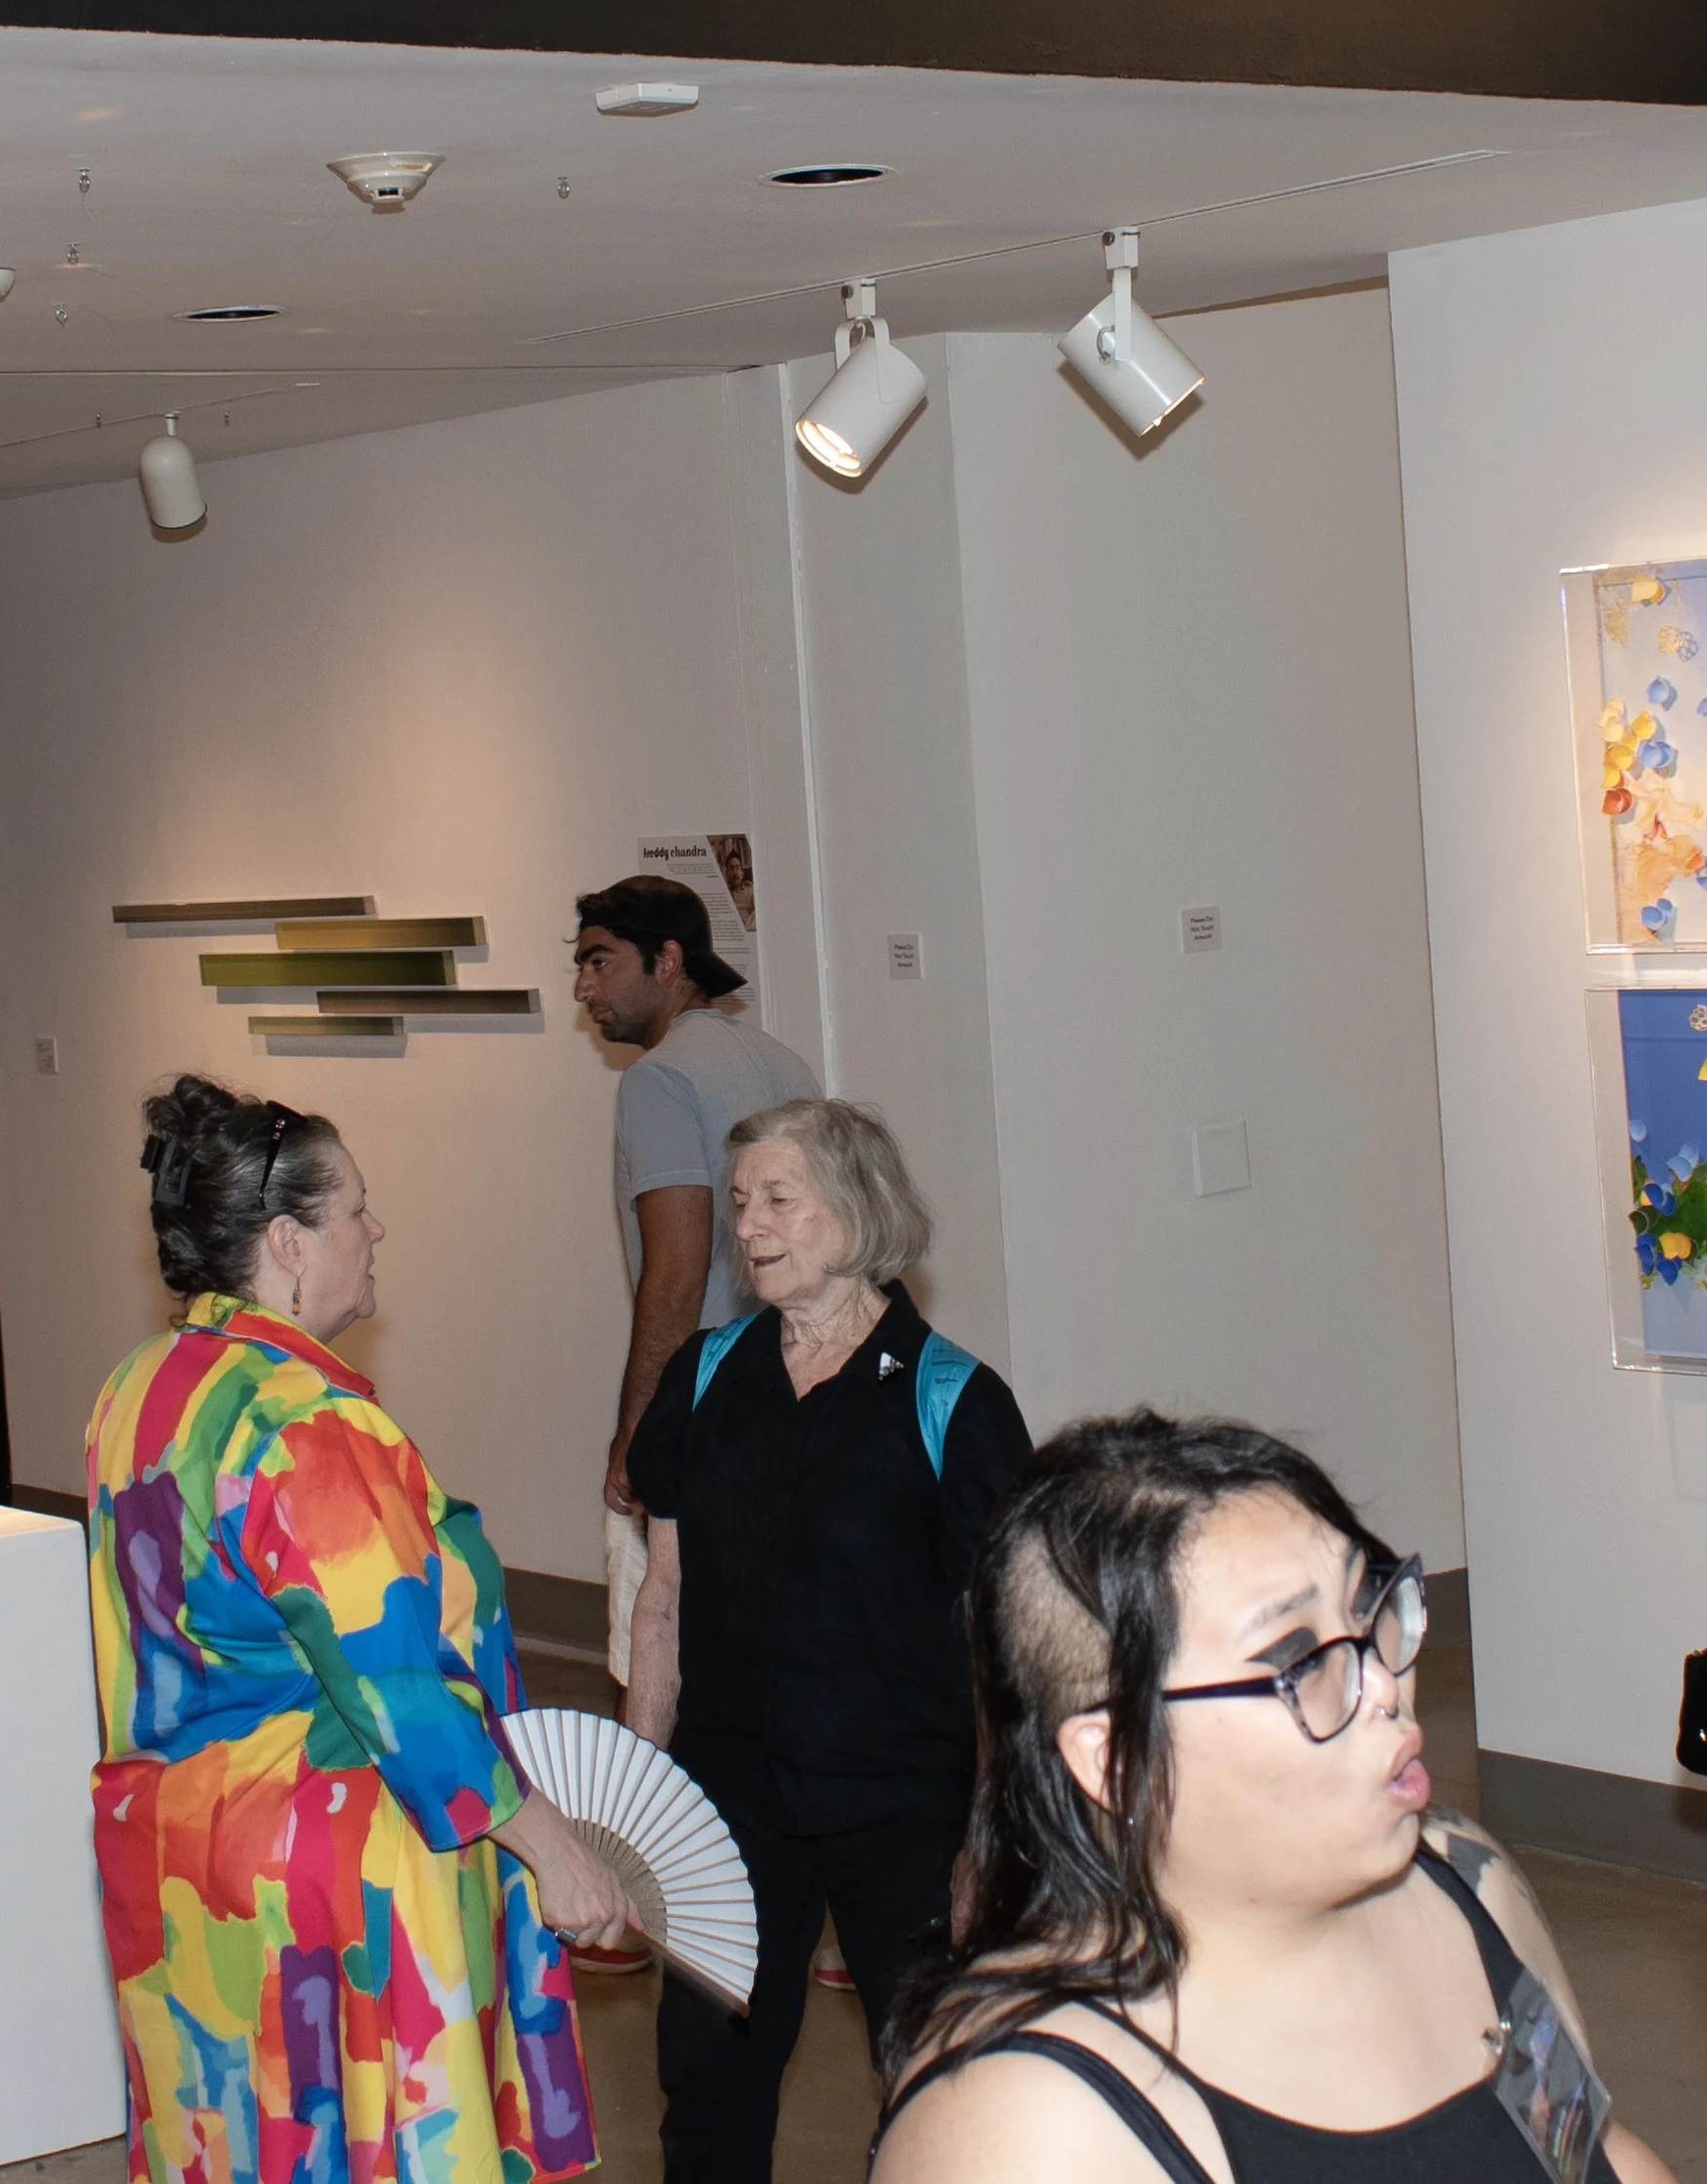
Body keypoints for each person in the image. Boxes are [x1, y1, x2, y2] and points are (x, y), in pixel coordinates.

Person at [877, 1412, 1680, 2184]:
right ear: (1118, 1760)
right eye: (1297, 1657)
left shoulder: (1465, 1886)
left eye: (1366, 1608)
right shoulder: (1018, 2121)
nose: (1382, 1684)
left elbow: (1586, 2157)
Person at [83, 1075, 624, 2184]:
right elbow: (398, 1691)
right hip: (330, 1881)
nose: (376, 1231)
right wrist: (552, 1848)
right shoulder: (311, 1422)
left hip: (186, 1859)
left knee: (236, 2146)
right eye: (356, 1209)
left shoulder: (140, 1385)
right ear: (287, 1241)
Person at [622, 1097, 1028, 2179]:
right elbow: (661, 1599)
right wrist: (636, 1805)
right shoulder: (703, 1379)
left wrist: (988, 1843)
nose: (749, 1223)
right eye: (741, 1199)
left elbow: (1003, 1652)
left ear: (855, 1210)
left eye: (778, 1198)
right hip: (724, 1803)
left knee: (936, 2084)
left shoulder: (956, 1401)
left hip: (899, 1805)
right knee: (707, 2084)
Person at [579, 872, 821, 1518]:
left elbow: (677, 1275)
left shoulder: (658, 1078)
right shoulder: (786, 1062)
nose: (583, 988)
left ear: (667, 961)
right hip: (805, 1382)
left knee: (674, 1610)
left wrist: (636, 1430)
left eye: (600, 962)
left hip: (714, 1401)